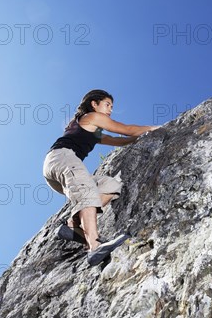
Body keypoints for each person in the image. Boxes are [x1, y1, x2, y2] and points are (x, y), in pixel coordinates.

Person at [43, 89, 160, 266]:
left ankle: (72, 226)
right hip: (62, 158)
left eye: (112, 106)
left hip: (57, 170)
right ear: (94, 104)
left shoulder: (93, 131)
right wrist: (155, 128)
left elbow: (118, 140)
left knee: (111, 186)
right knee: (87, 191)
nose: (110, 109)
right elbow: (127, 130)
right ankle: (95, 247)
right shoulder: (92, 117)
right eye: (107, 105)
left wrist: (141, 136)